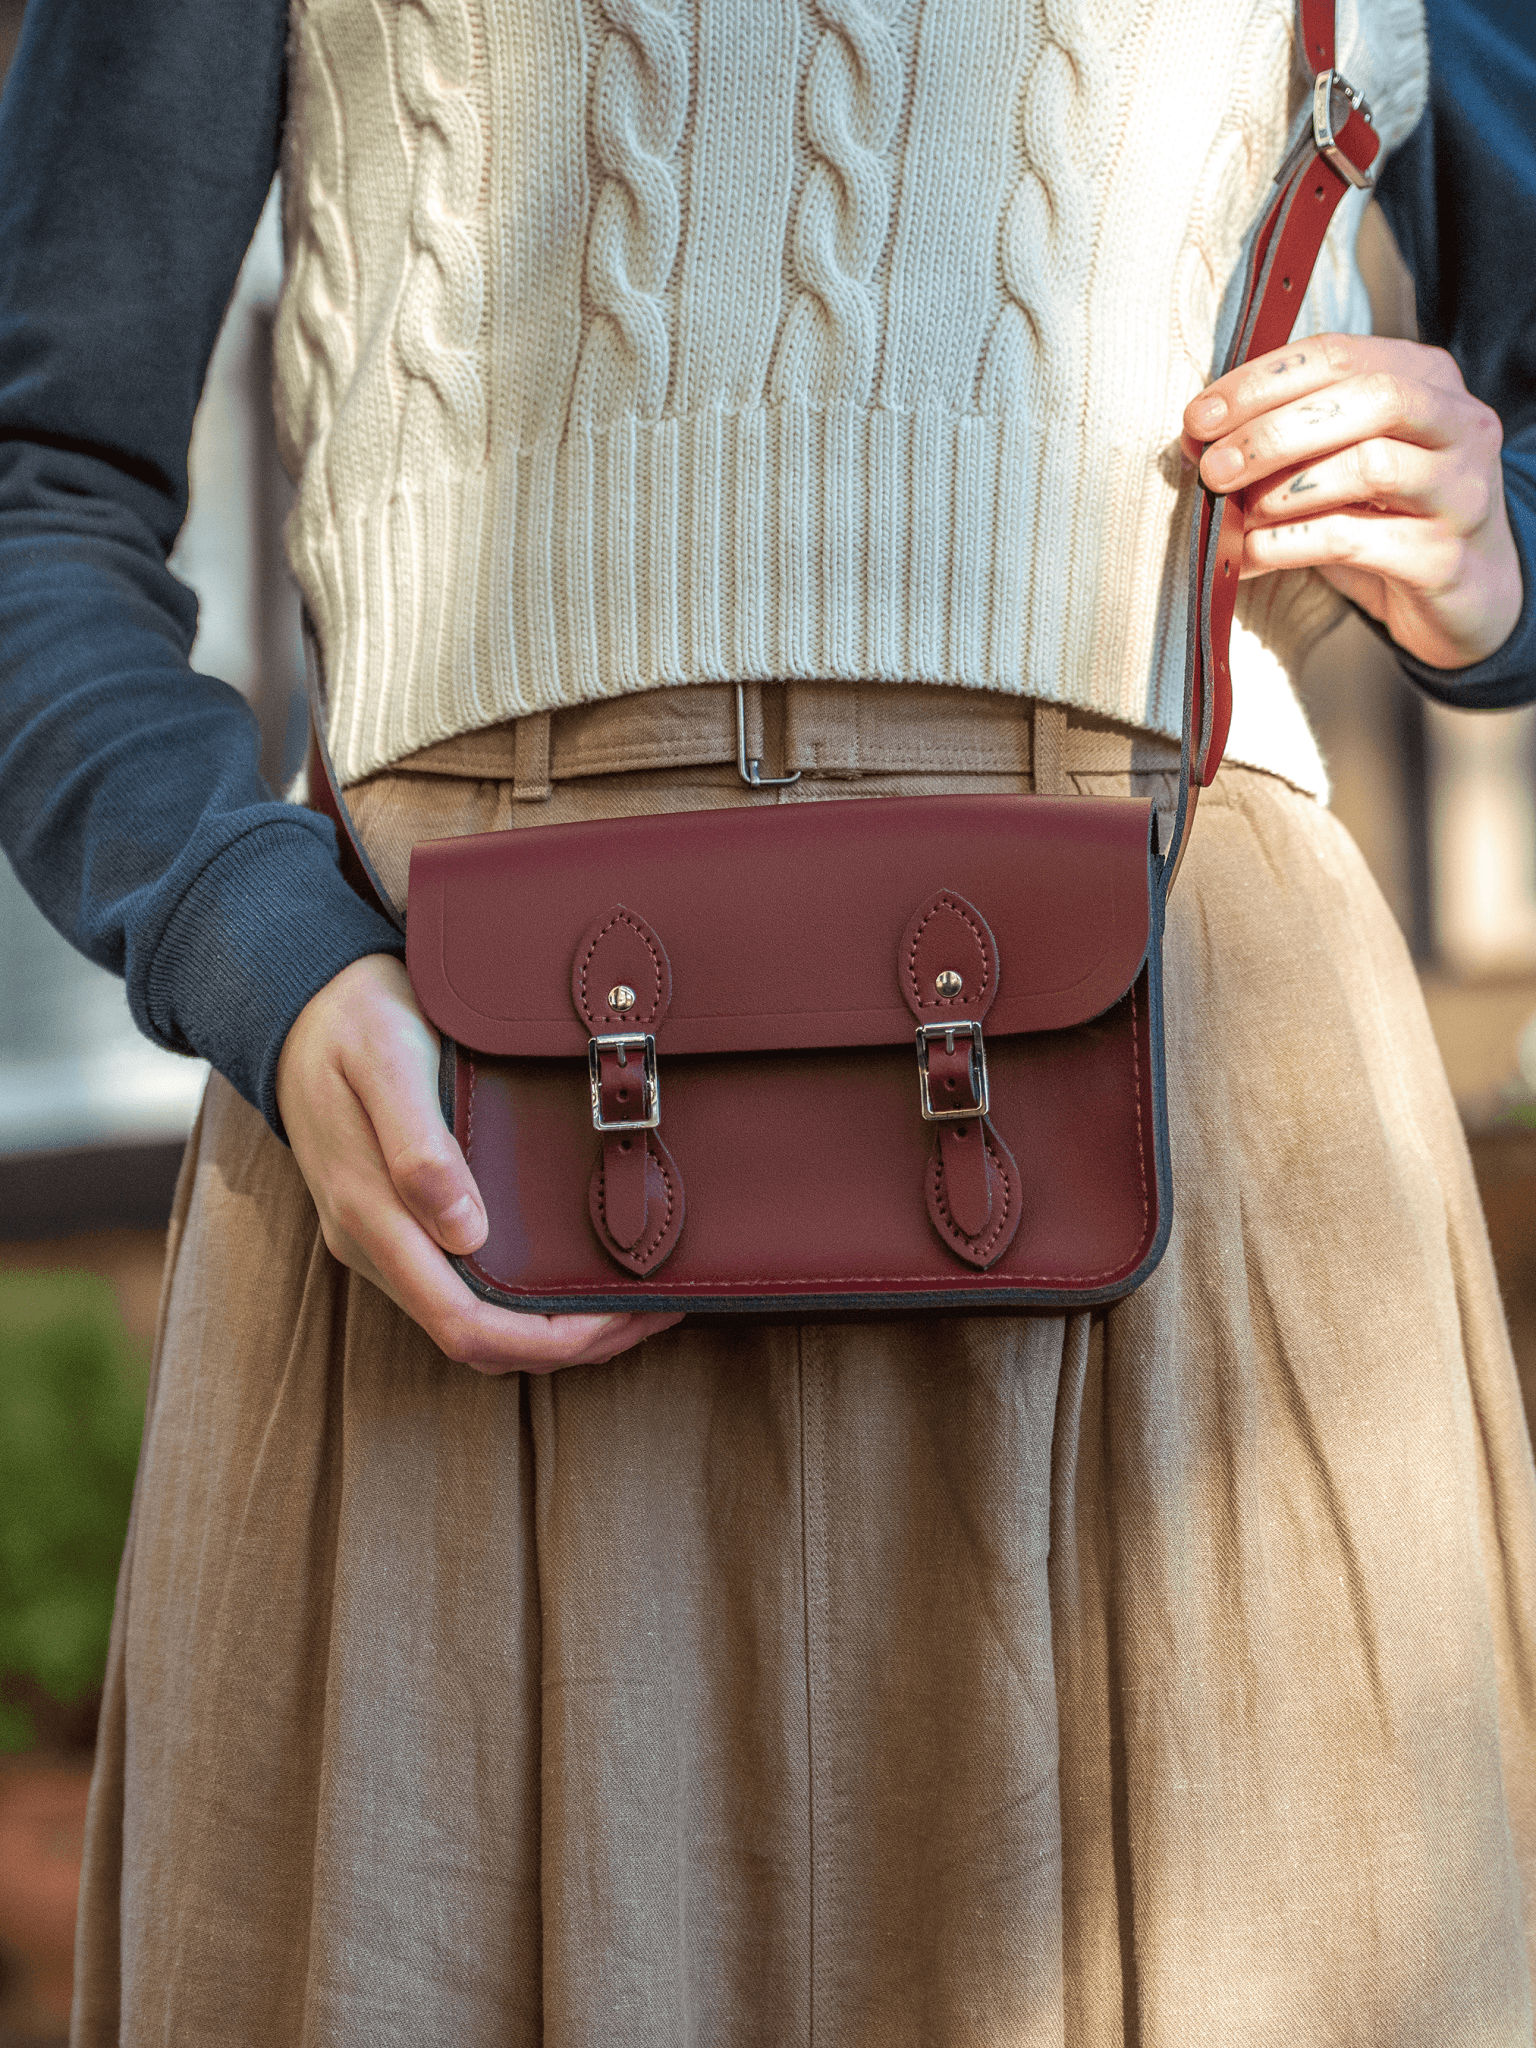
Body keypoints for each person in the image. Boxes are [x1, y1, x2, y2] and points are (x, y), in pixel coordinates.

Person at [2, 0, 1535, 2038]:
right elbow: (37, 497)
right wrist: (252, 951)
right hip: (453, 1169)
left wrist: (1501, 539)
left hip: (1188, 1183)